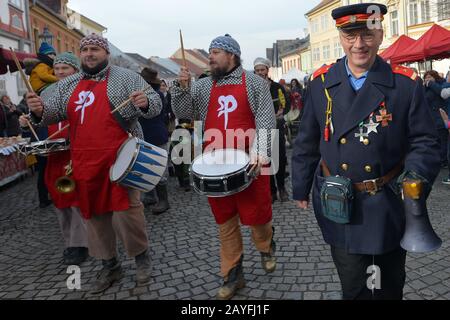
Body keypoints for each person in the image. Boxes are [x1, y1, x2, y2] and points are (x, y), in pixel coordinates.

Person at [292, 3, 440, 300]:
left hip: (386, 203)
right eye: (350, 35)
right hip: (339, 203)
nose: (359, 44)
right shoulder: (321, 83)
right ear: (340, 37)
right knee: (354, 286)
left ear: (380, 34)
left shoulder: (404, 85)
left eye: (367, 34)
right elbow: (307, 140)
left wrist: (416, 176)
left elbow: (426, 140)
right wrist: (300, 188)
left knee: (389, 286)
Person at [26, 33, 162, 294]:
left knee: (127, 214)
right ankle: (109, 265)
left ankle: (141, 259)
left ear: (106, 53)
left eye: (94, 50)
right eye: (85, 49)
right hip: (85, 160)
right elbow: (51, 113)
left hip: (120, 156)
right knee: (95, 216)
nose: (89, 54)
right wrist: (38, 110)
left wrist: (145, 103)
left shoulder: (125, 77)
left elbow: (154, 104)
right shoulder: (68, 85)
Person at [171, 34, 277, 300]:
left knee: (258, 217)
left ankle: (266, 245)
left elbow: (265, 118)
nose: (210, 57)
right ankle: (232, 273)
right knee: (225, 222)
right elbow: (185, 113)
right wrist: (182, 88)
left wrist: (261, 153)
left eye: (216, 52)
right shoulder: (203, 85)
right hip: (216, 164)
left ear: (232, 55)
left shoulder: (254, 82)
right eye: (210, 52)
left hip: (250, 161)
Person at [20, 52, 88, 265]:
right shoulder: (47, 92)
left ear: (75, 71)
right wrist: (28, 119)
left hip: (77, 152)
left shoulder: (84, 90)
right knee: (60, 198)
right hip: (54, 153)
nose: (59, 72)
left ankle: (81, 244)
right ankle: (69, 242)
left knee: (76, 198)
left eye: (64, 68)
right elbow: (40, 119)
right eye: (56, 69)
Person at [254, 57, 289, 202]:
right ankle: (272, 190)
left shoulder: (277, 87)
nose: (260, 72)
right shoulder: (252, 89)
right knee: (265, 160)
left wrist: (281, 113)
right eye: (257, 70)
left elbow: (286, 104)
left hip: (277, 127)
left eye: (263, 70)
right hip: (261, 131)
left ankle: (281, 188)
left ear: (267, 70)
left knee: (279, 159)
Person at [139, 67, 170, 214]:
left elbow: (151, 113)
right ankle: (150, 196)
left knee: (159, 169)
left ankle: (164, 200)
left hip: (156, 135)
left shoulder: (157, 95)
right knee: (146, 168)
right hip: (143, 135)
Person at [423, 70, 448, 168]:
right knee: (436, 141)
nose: (427, 79)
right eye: (426, 77)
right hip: (431, 120)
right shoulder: (426, 88)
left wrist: (431, 84)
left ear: (435, 77)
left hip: (440, 119)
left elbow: (442, 93)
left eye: (430, 77)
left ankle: (444, 161)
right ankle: (440, 159)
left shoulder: (441, 85)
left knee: (443, 141)